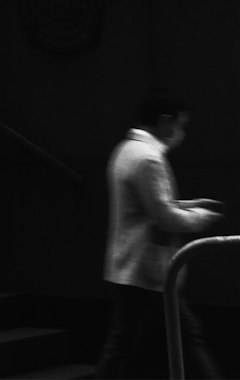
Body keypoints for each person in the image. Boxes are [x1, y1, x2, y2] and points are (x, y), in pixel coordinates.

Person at [96, 87, 224, 378]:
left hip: (136, 266)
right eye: (180, 125)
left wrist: (188, 204)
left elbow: (146, 205)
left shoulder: (127, 149)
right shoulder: (149, 158)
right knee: (139, 342)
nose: (181, 132)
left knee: (161, 338)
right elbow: (164, 217)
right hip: (146, 269)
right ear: (166, 120)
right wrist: (202, 216)